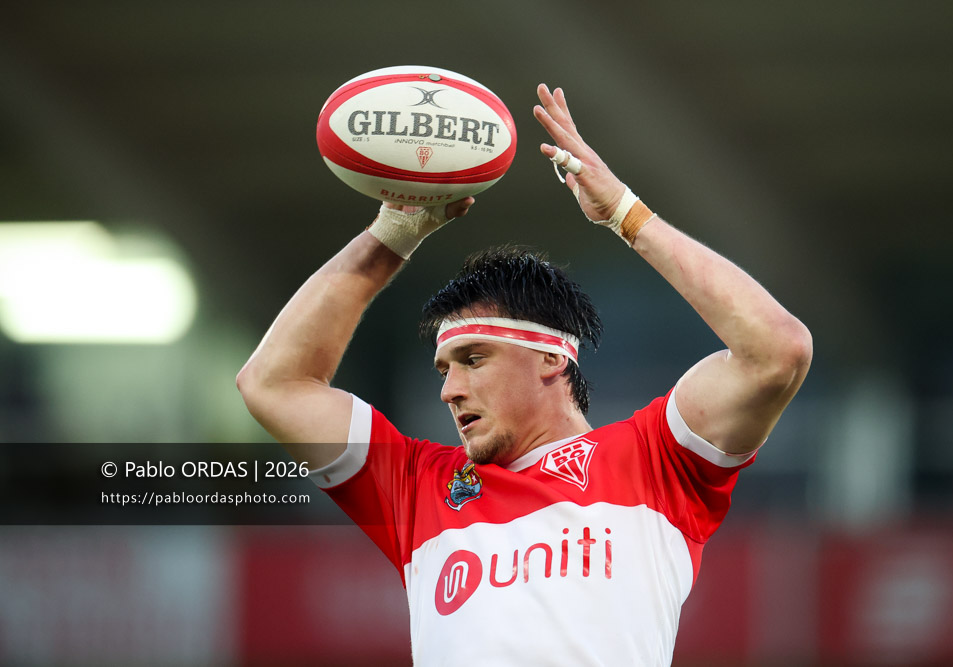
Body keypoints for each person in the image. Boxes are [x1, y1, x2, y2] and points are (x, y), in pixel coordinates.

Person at [237, 83, 812, 666]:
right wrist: (392, 235)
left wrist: (625, 214)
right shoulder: (416, 488)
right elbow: (273, 385)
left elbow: (777, 351)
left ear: (552, 357)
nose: (449, 389)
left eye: (474, 359)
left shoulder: (653, 462)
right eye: (443, 368)